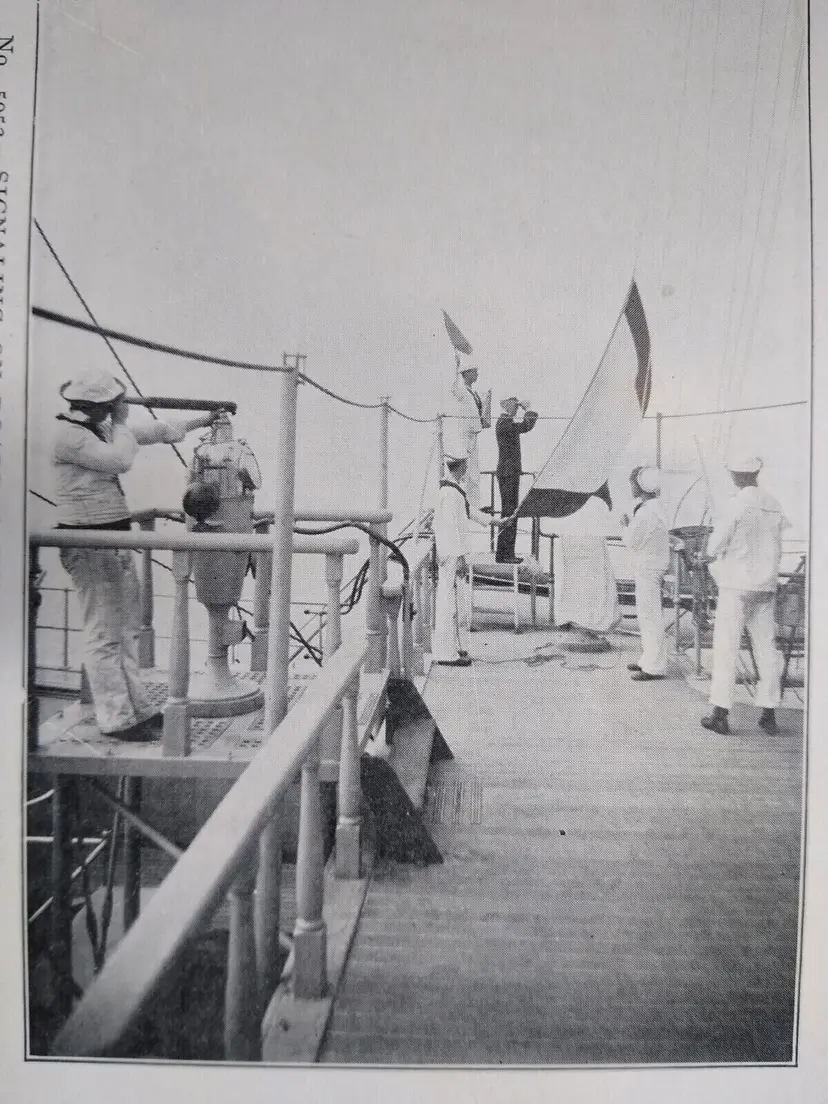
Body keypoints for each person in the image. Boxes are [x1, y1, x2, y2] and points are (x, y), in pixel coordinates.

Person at [52, 366, 215, 741]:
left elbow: (152, 433)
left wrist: (202, 419)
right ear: (101, 405)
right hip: (88, 544)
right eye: (114, 403)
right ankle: (116, 718)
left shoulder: (99, 430)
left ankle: (136, 709)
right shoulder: (69, 438)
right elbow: (120, 460)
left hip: (113, 539)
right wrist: (123, 421)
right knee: (103, 633)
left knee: (125, 630)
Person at [701, 455, 789, 735]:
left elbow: (715, 546)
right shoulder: (773, 504)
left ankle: (720, 713)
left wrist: (709, 554)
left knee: (726, 648)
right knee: (766, 650)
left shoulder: (736, 504)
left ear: (735, 476)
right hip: (765, 587)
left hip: (736, 586)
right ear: (757, 472)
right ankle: (769, 713)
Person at [433, 454, 504, 666]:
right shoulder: (449, 494)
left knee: (454, 603)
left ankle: (453, 649)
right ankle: (446, 654)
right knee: (449, 605)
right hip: (452, 556)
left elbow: (468, 512)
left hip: (451, 554)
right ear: (462, 465)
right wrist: (461, 557)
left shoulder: (452, 491)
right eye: (466, 465)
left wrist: (495, 521)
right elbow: (450, 530)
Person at [620, 466, 670, 681]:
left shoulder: (646, 512)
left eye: (632, 484)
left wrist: (624, 526)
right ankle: (647, 659)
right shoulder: (654, 508)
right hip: (652, 565)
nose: (631, 488)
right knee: (647, 615)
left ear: (639, 485)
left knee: (650, 617)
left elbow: (631, 541)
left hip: (648, 567)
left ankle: (655, 666)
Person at [494, 396, 537, 563]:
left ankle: (505, 553)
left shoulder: (505, 422)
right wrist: (529, 409)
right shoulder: (505, 423)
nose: (517, 409)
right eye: (515, 406)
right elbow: (526, 426)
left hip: (509, 473)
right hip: (508, 473)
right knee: (510, 513)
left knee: (510, 513)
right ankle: (505, 554)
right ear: (508, 406)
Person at [450, 364, 491, 512]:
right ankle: (464, 505)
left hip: (473, 434)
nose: (477, 374)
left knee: (474, 471)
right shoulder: (462, 391)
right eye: (474, 372)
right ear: (466, 374)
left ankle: (474, 505)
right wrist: (456, 365)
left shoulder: (472, 393)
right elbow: (453, 388)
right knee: (466, 471)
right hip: (465, 436)